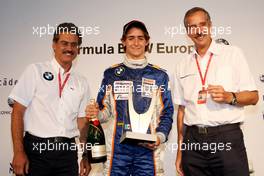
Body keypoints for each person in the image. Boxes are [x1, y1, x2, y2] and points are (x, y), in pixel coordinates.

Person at [173, 7, 259, 176]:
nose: (198, 31)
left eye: (202, 24)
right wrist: (180, 150)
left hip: (226, 137)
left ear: (210, 25)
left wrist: (230, 97)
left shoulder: (232, 54)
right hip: (193, 141)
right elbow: (182, 110)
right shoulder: (182, 65)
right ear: (187, 32)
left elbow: (254, 97)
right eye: (192, 27)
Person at [86, 20, 174, 175]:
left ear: (147, 42)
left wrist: (159, 137)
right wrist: (95, 113)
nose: (136, 42)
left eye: (140, 38)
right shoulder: (111, 74)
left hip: (148, 151)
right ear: (123, 42)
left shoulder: (159, 76)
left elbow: (167, 112)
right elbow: (104, 111)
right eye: (131, 38)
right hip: (117, 151)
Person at [8, 22, 91, 176]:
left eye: (74, 44)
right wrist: (18, 152)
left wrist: (85, 155)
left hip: (67, 153)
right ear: (54, 45)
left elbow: (82, 123)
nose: (69, 48)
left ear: (78, 48)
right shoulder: (35, 70)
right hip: (36, 151)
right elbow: (17, 112)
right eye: (64, 43)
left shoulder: (81, 81)